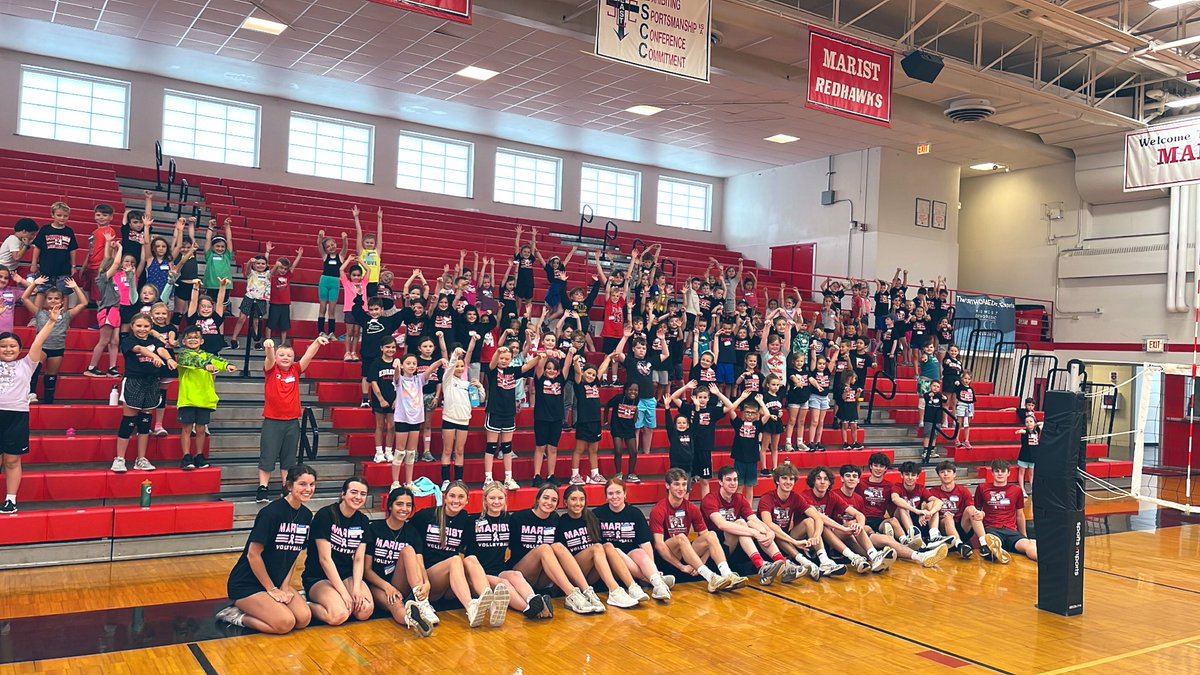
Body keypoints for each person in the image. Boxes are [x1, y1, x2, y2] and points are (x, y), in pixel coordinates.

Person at [216, 464, 318, 633]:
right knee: (285, 623)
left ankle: (266, 605)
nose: (308, 489)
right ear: (289, 485)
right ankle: (235, 615)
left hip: (276, 582)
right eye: (302, 484)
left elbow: (293, 556)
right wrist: (271, 589)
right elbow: (253, 555)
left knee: (303, 619)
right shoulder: (271, 513)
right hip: (248, 584)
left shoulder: (306, 515)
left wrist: (284, 587)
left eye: (312, 484)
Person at [507, 484, 610, 614]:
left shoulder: (555, 520)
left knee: (558, 546)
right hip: (522, 572)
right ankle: (571, 594)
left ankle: (587, 592)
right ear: (538, 499)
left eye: (554, 500)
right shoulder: (519, 518)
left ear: (557, 505)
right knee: (545, 548)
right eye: (546, 498)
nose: (549, 502)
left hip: (543, 576)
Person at [409, 481, 501, 627]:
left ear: (467, 500)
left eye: (460, 497)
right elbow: (410, 545)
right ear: (445, 497)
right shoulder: (426, 516)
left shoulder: (465, 519)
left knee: (471, 558)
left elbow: (472, 547)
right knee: (455, 560)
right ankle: (470, 608)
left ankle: (493, 607)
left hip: (452, 584)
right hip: (430, 580)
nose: (456, 500)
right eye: (452, 496)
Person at [0, 306, 60, 513]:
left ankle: (11, 500)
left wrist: (51, 321)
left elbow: (38, 342)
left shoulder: (27, 364)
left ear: (19, 349)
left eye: (12, 346)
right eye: (3, 346)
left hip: (17, 417)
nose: (8, 349)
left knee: (12, 459)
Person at [466, 483, 554, 621]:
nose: (496, 502)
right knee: (504, 583)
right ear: (485, 500)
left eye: (500, 498)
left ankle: (533, 599)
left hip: (499, 569)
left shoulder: (509, 520)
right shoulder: (472, 521)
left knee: (516, 574)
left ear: (505, 500)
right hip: (479, 574)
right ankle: (533, 609)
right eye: (492, 498)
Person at [257, 336, 328, 503]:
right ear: (277, 357)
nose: (285, 358)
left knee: (289, 458)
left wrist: (316, 342)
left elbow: (308, 356)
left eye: (289, 355)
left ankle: (286, 487)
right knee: (268, 455)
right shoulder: (271, 370)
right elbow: (269, 358)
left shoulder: (295, 370)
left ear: (293, 358)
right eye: (282, 355)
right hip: (272, 421)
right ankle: (263, 488)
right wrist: (269, 347)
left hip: (292, 422)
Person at [649, 468, 744, 592]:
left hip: (686, 552)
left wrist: (700, 562)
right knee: (682, 538)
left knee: (711, 534)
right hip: (667, 557)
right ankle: (710, 577)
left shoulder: (691, 508)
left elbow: (707, 539)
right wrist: (682, 567)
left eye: (684, 484)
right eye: (676, 484)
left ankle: (727, 574)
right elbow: (659, 546)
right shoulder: (659, 509)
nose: (681, 488)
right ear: (667, 486)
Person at [300, 478, 373, 626]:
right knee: (339, 615)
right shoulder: (325, 515)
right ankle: (304, 604)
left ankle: (340, 597)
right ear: (343, 494)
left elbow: (359, 559)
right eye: (354, 492)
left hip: (345, 575)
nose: (358, 497)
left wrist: (357, 588)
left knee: (364, 610)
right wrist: (344, 593)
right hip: (319, 576)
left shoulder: (363, 520)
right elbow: (325, 560)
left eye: (363, 494)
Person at [363, 486, 434, 637]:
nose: (404, 509)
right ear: (390, 506)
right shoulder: (374, 529)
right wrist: (387, 587)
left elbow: (420, 564)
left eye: (408, 505)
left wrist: (426, 583)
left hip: (401, 582)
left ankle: (422, 602)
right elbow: (366, 570)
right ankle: (413, 620)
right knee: (396, 604)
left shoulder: (412, 532)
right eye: (399, 504)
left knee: (408, 551)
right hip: (378, 585)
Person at [557, 485, 644, 609]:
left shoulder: (591, 518)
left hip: (592, 573)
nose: (578, 503)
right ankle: (614, 591)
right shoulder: (561, 522)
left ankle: (632, 587)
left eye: (582, 499)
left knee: (608, 546)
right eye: (573, 499)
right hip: (573, 571)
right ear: (565, 502)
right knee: (597, 547)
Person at [700, 466, 789, 585]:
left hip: (735, 544)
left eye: (735, 480)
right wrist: (753, 533)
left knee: (753, 524)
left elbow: (754, 519)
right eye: (729, 480)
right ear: (720, 482)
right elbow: (721, 524)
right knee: (741, 523)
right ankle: (762, 565)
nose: (733, 483)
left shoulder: (739, 498)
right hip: (716, 549)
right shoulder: (710, 499)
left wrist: (769, 532)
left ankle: (781, 563)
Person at [111, 314, 176, 473]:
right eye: (139, 326)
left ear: (151, 328)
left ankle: (141, 459)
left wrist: (168, 359)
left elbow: (161, 349)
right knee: (129, 421)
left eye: (146, 326)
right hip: (134, 381)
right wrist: (153, 356)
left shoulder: (155, 341)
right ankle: (120, 458)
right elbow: (140, 349)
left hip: (152, 382)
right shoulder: (128, 341)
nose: (142, 329)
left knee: (145, 422)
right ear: (132, 326)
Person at [593, 478, 674, 600]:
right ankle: (656, 579)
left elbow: (645, 544)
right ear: (606, 496)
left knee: (639, 552)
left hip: (632, 559)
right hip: (611, 561)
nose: (614, 496)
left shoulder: (635, 513)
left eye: (618, 492)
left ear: (625, 494)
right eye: (610, 493)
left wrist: (652, 568)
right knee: (616, 551)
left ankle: (658, 585)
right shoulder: (597, 514)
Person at [757, 464, 836, 580]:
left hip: (787, 537)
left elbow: (817, 518)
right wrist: (794, 541)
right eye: (784, 478)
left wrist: (816, 535)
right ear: (777, 480)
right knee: (775, 532)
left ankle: (824, 561)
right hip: (768, 540)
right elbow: (768, 523)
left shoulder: (795, 497)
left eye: (791, 479)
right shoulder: (767, 498)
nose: (788, 482)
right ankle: (805, 562)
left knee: (809, 521)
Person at [175, 326, 237, 470]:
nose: (193, 340)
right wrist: (206, 365)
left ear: (202, 341)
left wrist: (227, 365)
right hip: (188, 399)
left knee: (201, 429)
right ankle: (186, 457)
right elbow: (193, 361)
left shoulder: (207, 355)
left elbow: (217, 360)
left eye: (196, 337)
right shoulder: (183, 354)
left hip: (204, 399)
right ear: (184, 341)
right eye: (189, 338)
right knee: (187, 428)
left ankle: (199, 455)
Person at [20, 276, 87, 404]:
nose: (53, 301)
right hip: (42, 348)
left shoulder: (67, 315)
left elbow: (83, 303)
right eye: (50, 298)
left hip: (57, 349)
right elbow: (24, 298)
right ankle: (31, 394)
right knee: (34, 370)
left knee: (51, 376)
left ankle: (48, 401)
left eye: (56, 298)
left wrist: (75, 287)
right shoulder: (40, 313)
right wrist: (34, 284)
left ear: (62, 301)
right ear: (45, 300)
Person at [484, 336, 538, 489]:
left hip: (509, 413)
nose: (503, 360)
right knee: (491, 446)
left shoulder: (513, 371)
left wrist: (541, 356)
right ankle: (488, 479)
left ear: (511, 359)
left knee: (507, 447)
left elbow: (527, 367)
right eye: (501, 358)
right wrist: (497, 352)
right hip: (495, 412)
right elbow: (492, 363)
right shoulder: (493, 371)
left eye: (506, 358)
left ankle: (508, 478)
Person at [969, 459, 1038, 563]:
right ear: (992, 473)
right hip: (992, 530)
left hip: (1011, 531)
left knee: (1029, 545)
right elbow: (976, 512)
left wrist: (1024, 535)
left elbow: (1020, 515)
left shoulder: (1016, 490)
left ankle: (1049, 562)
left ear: (1008, 473)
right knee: (993, 542)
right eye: (997, 471)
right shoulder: (982, 488)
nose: (1000, 474)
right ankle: (995, 550)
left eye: (1003, 471)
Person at [84, 239, 131, 377]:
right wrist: (120, 248)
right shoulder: (102, 279)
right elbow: (114, 263)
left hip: (115, 311)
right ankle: (91, 367)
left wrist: (113, 248)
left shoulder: (112, 280)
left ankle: (112, 368)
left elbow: (111, 260)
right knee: (104, 340)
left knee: (115, 341)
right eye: (116, 268)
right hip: (107, 311)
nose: (118, 269)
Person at [569, 347, 615, 485]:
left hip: (596, 421)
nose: (591, 376)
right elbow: (577, 372)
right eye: (588, 373)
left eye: (593, 375)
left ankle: (595, 474)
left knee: (594, 449)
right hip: (584, 421)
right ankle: (574, 475)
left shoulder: (595, 384)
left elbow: (601, 369)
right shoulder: (579, 384)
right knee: (579, 449)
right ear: (584, 373)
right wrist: (575, 362)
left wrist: (609, 357)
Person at [29, 202, 80, 313]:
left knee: (64, 293)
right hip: (46, 268)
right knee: (41, 291)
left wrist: (73, 266)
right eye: (59, 215)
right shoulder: (45, 230)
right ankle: (36, 317)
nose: (62, 218)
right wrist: (34, 264)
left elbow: (73, 250)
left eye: (65, 216)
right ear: (53, 215)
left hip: (63, 268)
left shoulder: (69, 231)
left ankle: (63, 317)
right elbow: (37, 247)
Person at [531, 350, 566, 486]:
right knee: (540, 447)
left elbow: (567, 365)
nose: (551, 371)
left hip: (556, 418)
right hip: (541, 417)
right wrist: (547, 354)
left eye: (554, 369)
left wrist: (568, 354)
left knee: (553, 448)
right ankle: (537, 475)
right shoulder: (540, 379)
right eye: (549, 368)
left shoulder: (560, 380)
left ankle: (551, 475)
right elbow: (539, 366)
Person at [928, 460, 976, 559]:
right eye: (942, 472)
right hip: (943, 526)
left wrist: (979, 513)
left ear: (954, 474)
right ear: (939, 475)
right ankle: (959, 545)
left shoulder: (963, 491)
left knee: (972, 510)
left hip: (961, 525)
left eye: (949, 471)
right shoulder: (932, 492)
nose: (945, 474)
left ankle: (984, 544)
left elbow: (971, 507)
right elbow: (925, 506)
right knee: (948, 518)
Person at [202, 217, 235, 338]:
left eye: (222, 247)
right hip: (211, 286)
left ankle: (220, 336)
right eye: (217, 246)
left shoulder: (227, 256)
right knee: (209, 311)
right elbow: (207, 239)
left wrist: (227, 227)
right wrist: (210, 227)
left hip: (225, 288)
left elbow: (229, 239)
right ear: (212, 247)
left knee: (220, 312)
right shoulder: (209, 255)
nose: (220, 248)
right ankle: (208, 333)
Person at [316, 229, 349, 339]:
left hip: (335, 283)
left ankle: (331, 332)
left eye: (332, 245)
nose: (331, 247)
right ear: (325, 249)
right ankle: (321, 331)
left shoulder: (341, 257)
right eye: (328, 246)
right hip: (324, 282)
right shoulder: (325, 257)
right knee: (322, 308)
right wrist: (320, 236)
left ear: (335, 244)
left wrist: (344, 239)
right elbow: (319, 245)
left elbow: (345, 247)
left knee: (332, 310)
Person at [353, 205, 384, 297]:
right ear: (363, 242)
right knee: (361, 302)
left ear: (374, 244)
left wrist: (379, 219)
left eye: (371, 243)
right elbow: (359, 233)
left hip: (374, 282)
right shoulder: (361, 251)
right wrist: (356, 217)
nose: (369, 244)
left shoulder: (377, 251)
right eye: (367, 242)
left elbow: (380, 235)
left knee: (372, 303)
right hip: (362, 280)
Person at [1016, 414, 1041, 497]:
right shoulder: (1025, 432)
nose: (1028, 423)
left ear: (1034, 423)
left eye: (1030, 421)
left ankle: (1033, 488)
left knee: (1031, 474)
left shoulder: (1037, 430)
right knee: (1021, 473)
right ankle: (1022, 489)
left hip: (1033, 457)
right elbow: (1024, 431)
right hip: (1024, 456)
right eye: (1026, 422)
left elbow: (1043, 424)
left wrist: (1036, 423)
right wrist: (1020, 431)